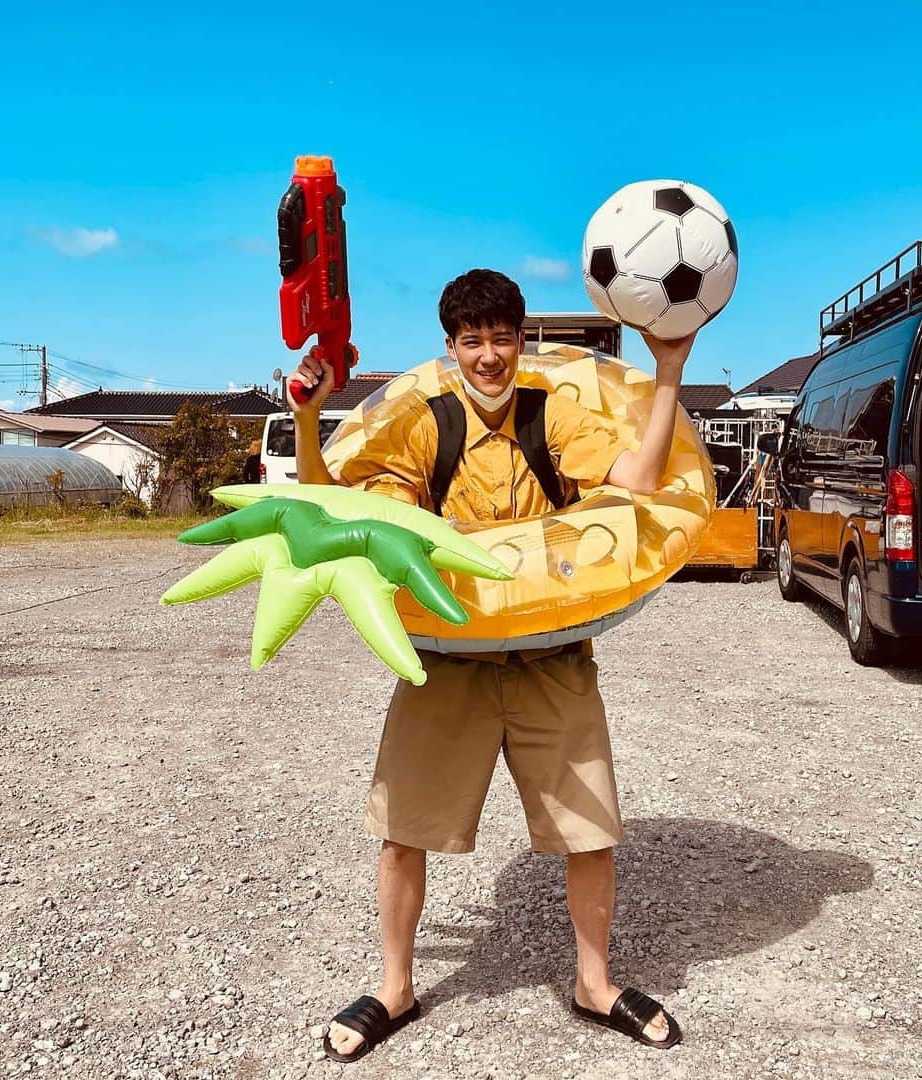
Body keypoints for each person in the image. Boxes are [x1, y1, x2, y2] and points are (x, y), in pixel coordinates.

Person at [290, 269, 695, 1062]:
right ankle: (397, 985)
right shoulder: (427, 428)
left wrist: (670, 367)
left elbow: (641, 484)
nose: (488, 356)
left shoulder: (553, 416)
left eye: (501, 338)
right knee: (401, 831)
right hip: (447, 663)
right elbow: (332, 514)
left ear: (521, 341)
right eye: (471, 341)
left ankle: (593, 982)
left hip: (552, 661)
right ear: (450, 349)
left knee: (591, 833)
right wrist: (307, 420)